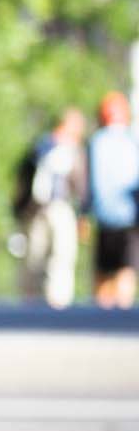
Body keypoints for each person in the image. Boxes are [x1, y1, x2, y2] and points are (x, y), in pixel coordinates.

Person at [14, 108, 86, 307]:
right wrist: (82, 214)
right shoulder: (68, 148)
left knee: (37, 257)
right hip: (57, 208)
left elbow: (22, 178)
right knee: (57, 256)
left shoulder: (40, 145)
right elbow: (79, 185)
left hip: (37, 209)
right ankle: (54, 302)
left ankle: (33, 299)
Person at [86, 91, 139, 308]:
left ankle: (103, 313)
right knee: (125, 268)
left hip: (104, 214)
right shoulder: (132, 140)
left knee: (104, 270)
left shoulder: (96, 142)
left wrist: (84, 212)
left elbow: (88, 182)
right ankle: (121, 314)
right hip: (129, 215)